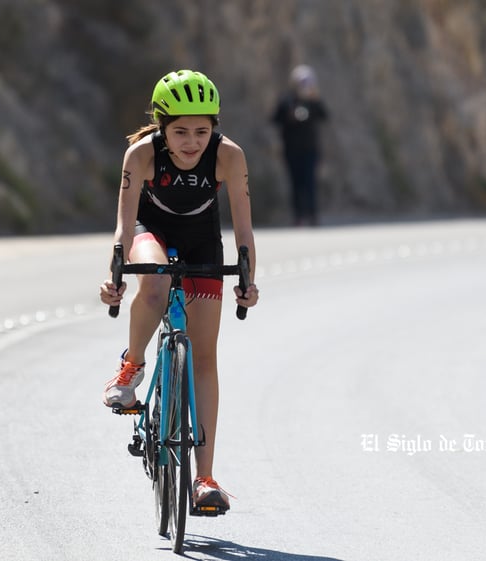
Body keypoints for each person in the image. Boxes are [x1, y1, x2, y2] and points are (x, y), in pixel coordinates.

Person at [99, 69, 259, 511]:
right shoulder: (140, 155)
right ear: (162, 127)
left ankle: (204, 479)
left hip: (202, 239)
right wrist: (115, 276)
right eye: (181, 131)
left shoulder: (229, 157)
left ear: (215, 127)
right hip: (151, 231)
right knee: (154, 278)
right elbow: (123, 224)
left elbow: (244, 230)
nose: (192, 141)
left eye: (202, 131)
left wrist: (247, 281)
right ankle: (131, 368)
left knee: (204, 357)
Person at [272, 64, 328, 227]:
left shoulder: (313, 101)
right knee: (296, 184)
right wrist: (289, 116)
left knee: (310, 183)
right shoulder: (287, 100)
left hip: (310, 149)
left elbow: (325, 116)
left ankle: (312, 215)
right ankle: (298, 216)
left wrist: (315, 99)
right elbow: (275, 119)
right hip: (292, 150)